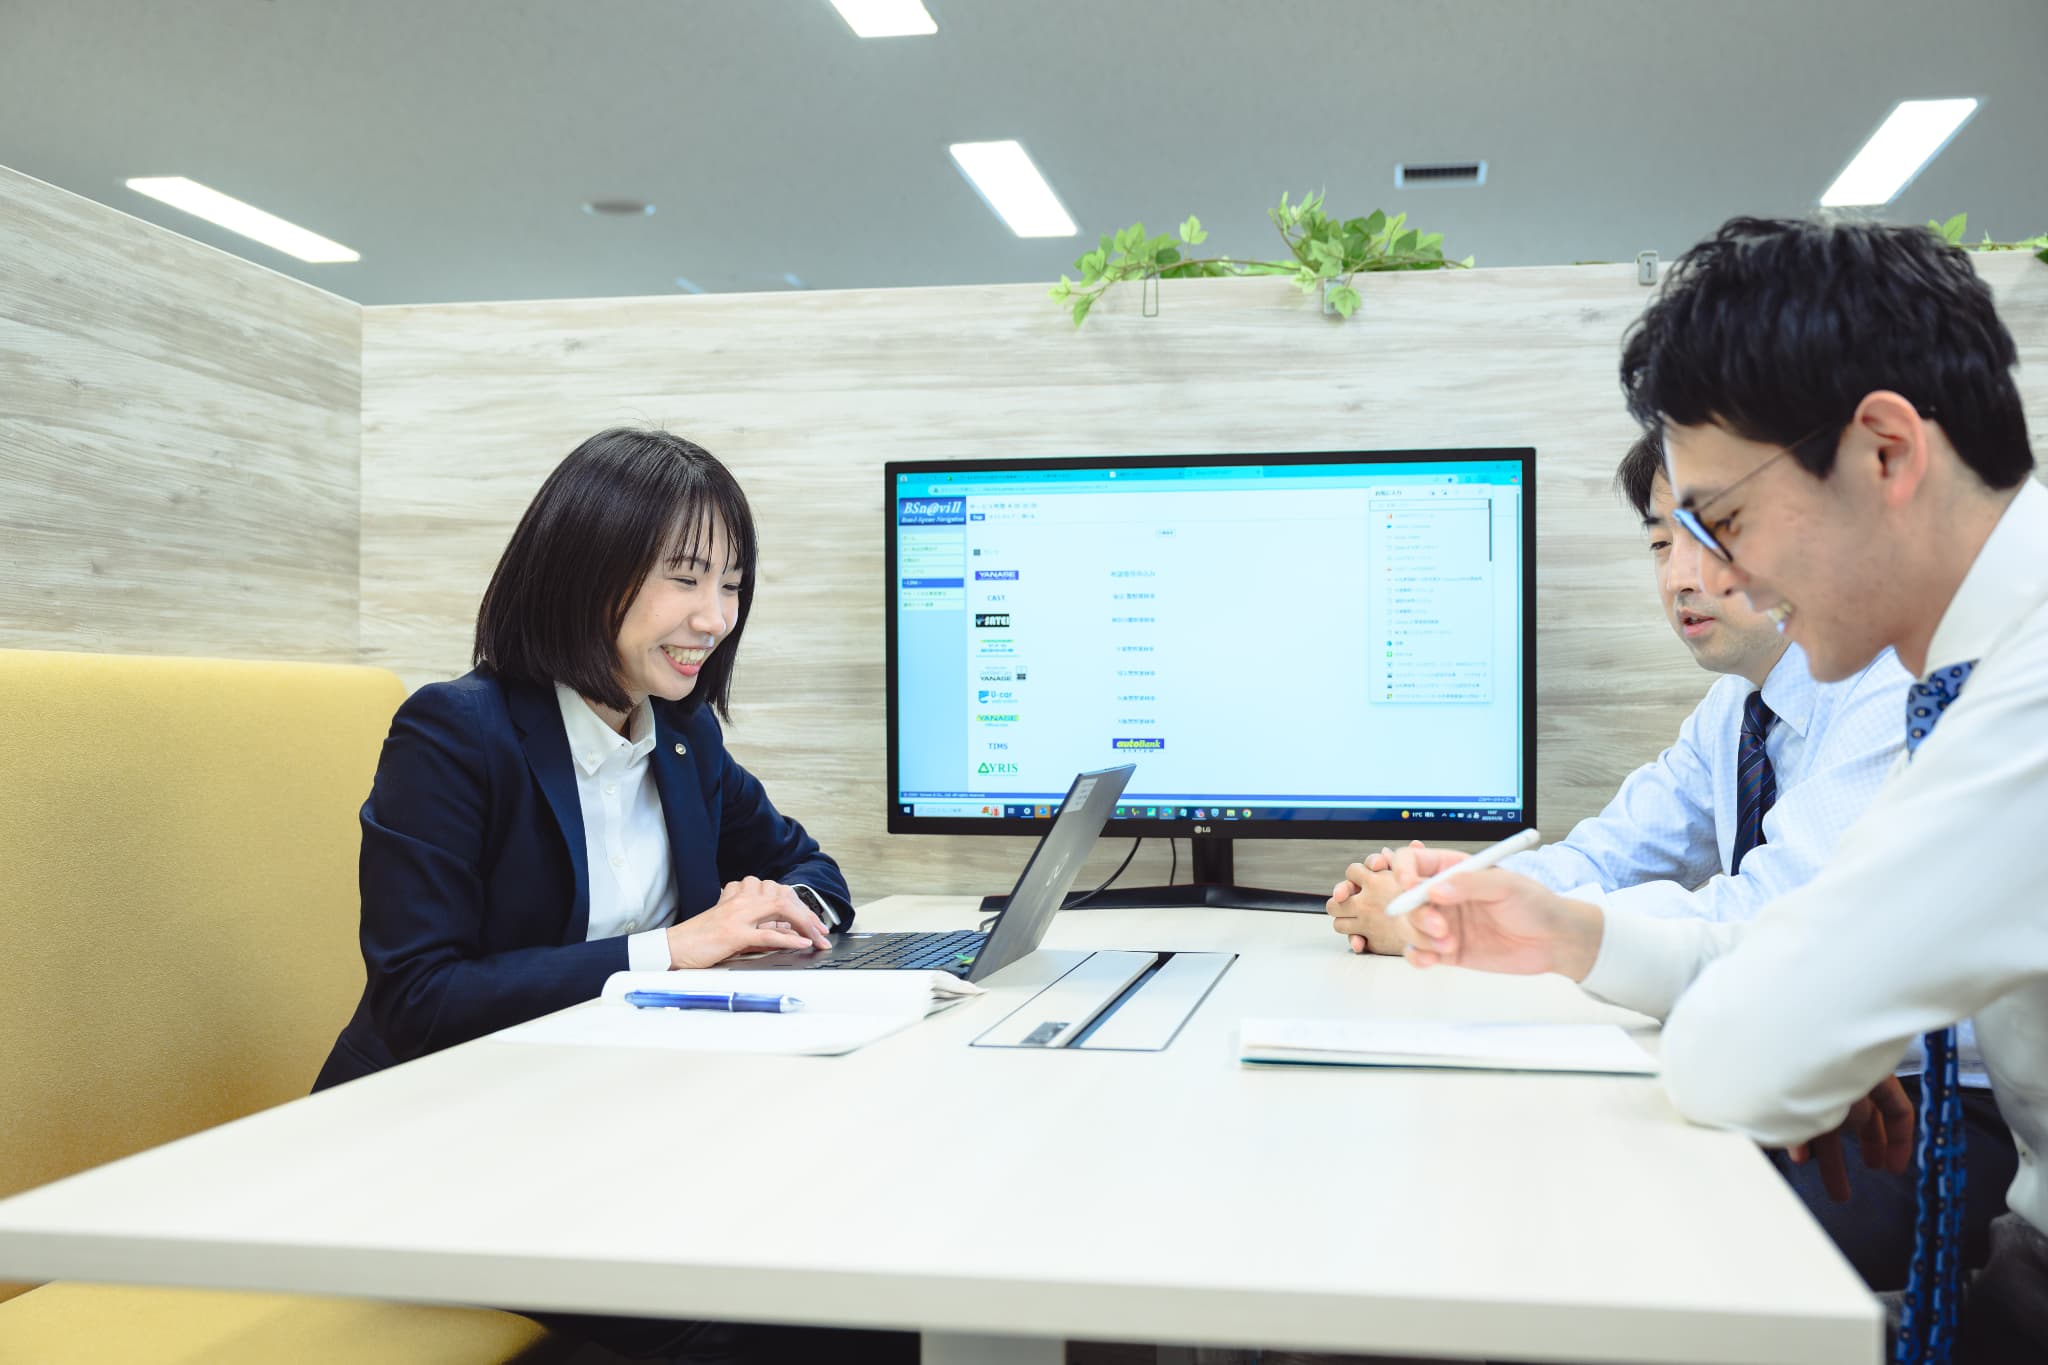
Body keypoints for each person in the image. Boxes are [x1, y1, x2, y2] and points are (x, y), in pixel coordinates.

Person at [1383, 217, 2046, 1363]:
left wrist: (1798, 1032)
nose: (1709, 574)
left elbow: (1737, 1052)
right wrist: (1792, 1022)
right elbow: (1786, 984)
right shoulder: (1971, 665)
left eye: (1722, 521)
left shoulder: (2020, 692)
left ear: (1884, 452)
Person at [314, 427, 913, 1364]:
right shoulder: (455, 733)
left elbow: (813, 868)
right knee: (801, 1307)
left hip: (601, 1127)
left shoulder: (682, 737)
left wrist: (785, 908)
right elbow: (420, 995)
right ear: (587, 572)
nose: (716, 617)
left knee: (864, 1230)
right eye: (686, 577)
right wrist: (670, 950)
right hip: (430, 1144)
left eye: (732, 583)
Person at [1328, 428, 1909, 953]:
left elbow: (1770, 915)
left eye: (1710, 535)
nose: (1678, 579)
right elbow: (1608, 857)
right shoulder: (1736, 708)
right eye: (1661, 544)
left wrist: (1476, 924)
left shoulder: (1891, 691)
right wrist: (1455, 892)